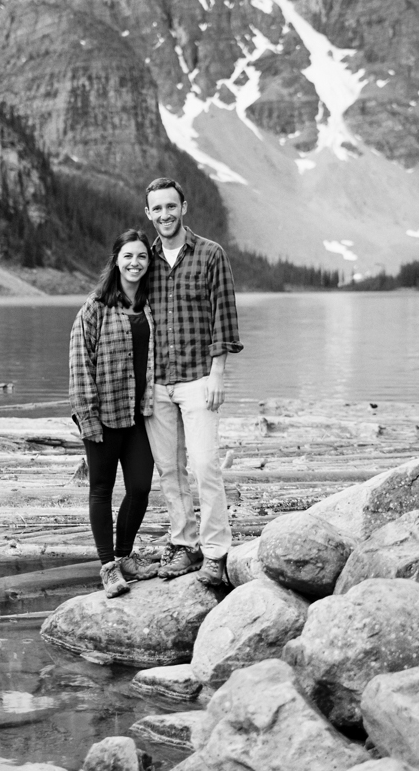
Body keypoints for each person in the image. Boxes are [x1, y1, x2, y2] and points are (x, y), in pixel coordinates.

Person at [143, 177, 242, 586]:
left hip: (200, 378)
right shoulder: (143, 260)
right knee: (169, 470)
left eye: (171, 206)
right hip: (157, 383)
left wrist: (218, 372)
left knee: (204, 466)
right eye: (157, 209)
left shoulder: (210, 255)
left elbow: (225, 315)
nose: (165, 215)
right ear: (148, 215)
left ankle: (216, 552)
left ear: (184, 208)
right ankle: (183, 545)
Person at [68, 229, 160, 597]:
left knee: (139, 488)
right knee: (101, 489)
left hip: (141, 414)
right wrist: (86, 416)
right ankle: (108, 566)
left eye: (141, 256)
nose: (135, 263)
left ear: (148, 262)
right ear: (116, 261)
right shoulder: (95, 307)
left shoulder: (151, 305)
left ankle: (125, 556)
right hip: (104, 413)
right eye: (128, 256)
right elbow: (79, 363)